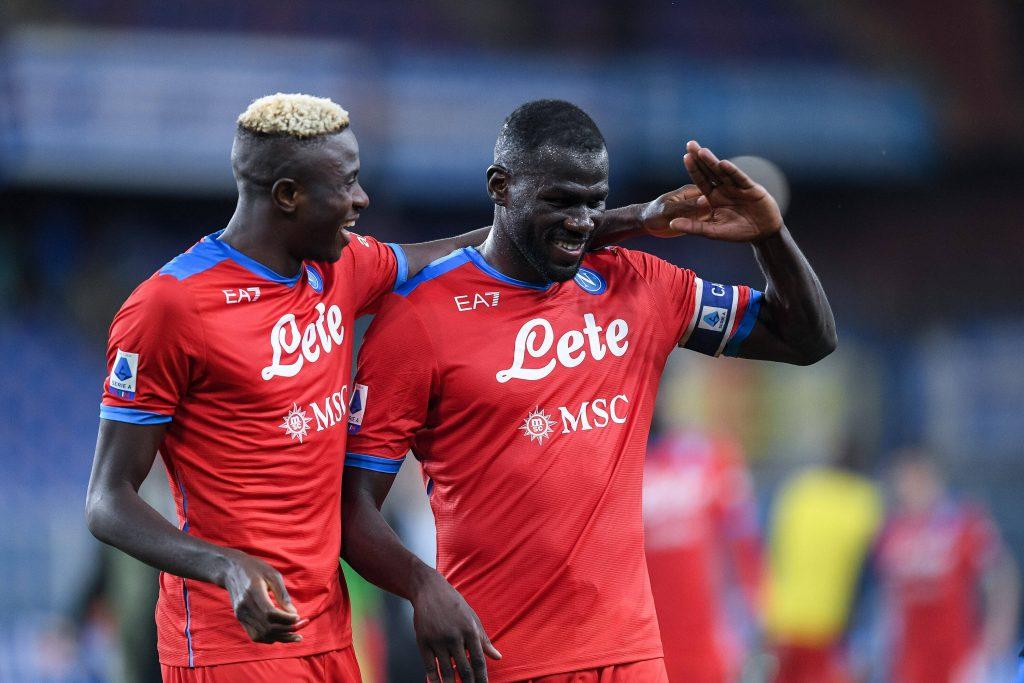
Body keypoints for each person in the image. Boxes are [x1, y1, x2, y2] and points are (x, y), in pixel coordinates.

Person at [85, 92, 701, 683]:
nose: (361, 198)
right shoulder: (170, 308)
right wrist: (224, 567)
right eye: (345, 183)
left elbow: (484, 250)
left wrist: (629, 222)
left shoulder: (342, 269)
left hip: (326, 631)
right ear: (289, 195)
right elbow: (107, 501)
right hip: (231, 639)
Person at [342, 99, 837, 683]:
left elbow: (805, 338)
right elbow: (352, 507)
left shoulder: (639, 286)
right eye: (559, 201)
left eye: (594, 203)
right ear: (500, 187)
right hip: (496, 659)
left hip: (631, 658)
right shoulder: (421, 319)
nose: (580, 222)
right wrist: (422, 586)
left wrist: (771, 235)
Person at [876, 448, 1019, 683]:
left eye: (916, 478)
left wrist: (999, 629)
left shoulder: (962, 521)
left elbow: (1002, 575)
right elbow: (889, 597)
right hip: (911, 659)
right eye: (903, 481)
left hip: (957, 654)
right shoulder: (893, 530)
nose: (909, 488)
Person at [643, 429, 763, 683]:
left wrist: (752, 619)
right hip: (648, 651)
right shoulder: (620, 465)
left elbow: (745, 545)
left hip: (707, 648)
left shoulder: (712, 459)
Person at [762, 441, 883, 683]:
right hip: (826, 628)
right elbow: (871, 571)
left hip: (781, 621)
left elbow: (771, 546)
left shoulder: (799, 489)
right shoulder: (863, 500)